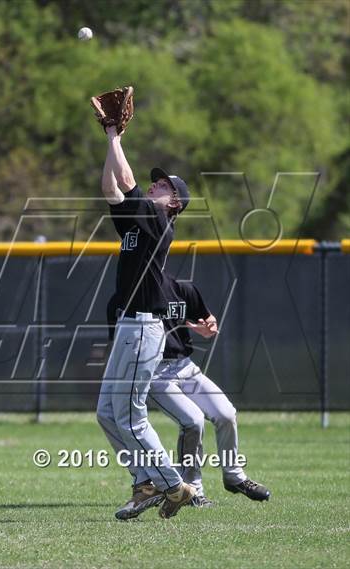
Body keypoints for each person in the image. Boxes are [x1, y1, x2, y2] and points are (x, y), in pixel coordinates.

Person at [106, 274, 271, 520]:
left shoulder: (182, 288)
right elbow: (121, 346)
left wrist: (209, 326)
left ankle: (234, 476)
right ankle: (193, 489)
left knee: (226, 413)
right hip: (155, 372)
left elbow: (208, 319)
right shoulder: (122, 299)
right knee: (192, 421)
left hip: (185, 367)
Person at [96, 125, 195, 519]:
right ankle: (145, 483)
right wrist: (109, 141)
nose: (156, 186)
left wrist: (115, 137)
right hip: (127, 326)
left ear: (174, 204)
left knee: (131, 416)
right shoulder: (139, 221)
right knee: (107, 411)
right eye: (157, 183)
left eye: (165, 186)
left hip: (143, 328)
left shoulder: (158, 223)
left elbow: (127, 179)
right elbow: (111, 189)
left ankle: (173, 485)